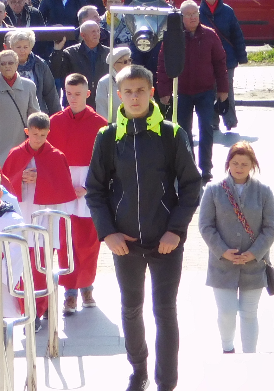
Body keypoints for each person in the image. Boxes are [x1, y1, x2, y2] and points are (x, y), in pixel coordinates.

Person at [85, 65, 202, 391]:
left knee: (165, 311)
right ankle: (138, 371)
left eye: (140, 90)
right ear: (118, 95)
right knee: (132, 308)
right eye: (128, 91)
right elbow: (95, 190)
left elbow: (192, 187)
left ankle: (167, 382)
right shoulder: (108, 137)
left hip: (165, 242)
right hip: (125, 242)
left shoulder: (171, 134)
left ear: (151, 93)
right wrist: (107, 232)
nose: (134, 96)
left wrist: (175, 231)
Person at [198, 141, 274, 354]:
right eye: (235, 163)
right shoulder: (214, 190)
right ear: (228, 164)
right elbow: (205, 225)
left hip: (254, 265)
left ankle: (249, 356)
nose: (239, 168)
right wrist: (222, 250)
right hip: (222, 264)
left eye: (244, 163)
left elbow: (271, 228)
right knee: (226, 312)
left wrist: (254, 252)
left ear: (252, 165)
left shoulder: (264, 191)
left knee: (249, 312)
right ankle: (228, 349)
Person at [0, 112, 78, 317]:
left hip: (44, 219)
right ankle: (26, 309)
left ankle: (40, 308)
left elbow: (64, 189)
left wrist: (41, 179)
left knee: (41, 266)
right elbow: (5, 186)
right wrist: (20, 177)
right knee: (21, 264)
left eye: (43, 135)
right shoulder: (15, 154)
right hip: (22, 216)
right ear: (27, 132)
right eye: (34, 134)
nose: (38, 139)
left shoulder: (56, 156)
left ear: (48, 134)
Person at [49, 73, 110, 313]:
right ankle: (70, 292)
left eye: (78, 94)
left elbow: (105, 163)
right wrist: (62, 187)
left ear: (88, 93)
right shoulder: (54, 122)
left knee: (88, 242)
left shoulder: (100, 124)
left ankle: (87, 287)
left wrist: (89, 187)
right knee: (66, 242)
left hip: (89, 188)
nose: (72, 99)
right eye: (69, 94)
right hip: (63, 191)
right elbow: (49, 159)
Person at [157, 1, 229, 181]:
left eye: (195, 13)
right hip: (181, 92)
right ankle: (188, 167)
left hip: (205, 91)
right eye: (188, 14)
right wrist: (164, 90)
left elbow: (220, 63)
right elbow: (163, 64)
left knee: (206, 128)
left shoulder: (209, 35)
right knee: (183, 131)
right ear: (181, 17)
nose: (193, 17)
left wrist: (223, 89)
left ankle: (206, 168)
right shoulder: (173, 37)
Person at [198, 0, 247, 131]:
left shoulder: (227, 11)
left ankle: (230, 120)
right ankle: (213, 122)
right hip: (206, 59)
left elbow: (237, 35)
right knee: (210, 91)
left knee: (227, 90)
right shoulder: (198, 13)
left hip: (227, 58)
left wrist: (241, 56)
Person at [96, 46, 133, 121]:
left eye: (129, 60)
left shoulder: (137, 79)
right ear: (114, 65)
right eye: (125, 62)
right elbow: (101, 108)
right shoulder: (104, 82)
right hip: (114, 127)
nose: (129, 64)